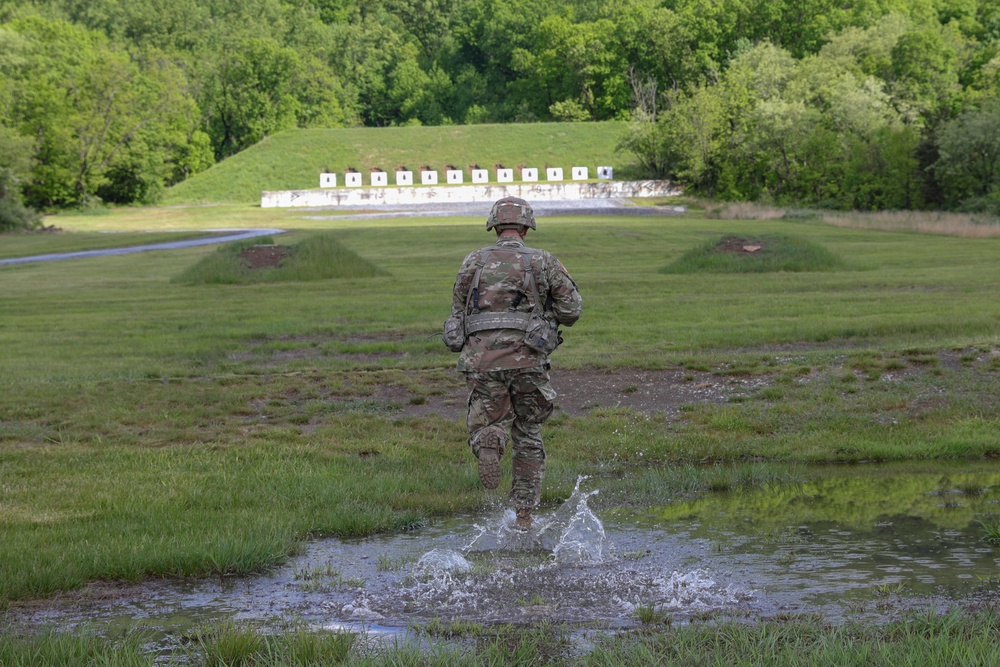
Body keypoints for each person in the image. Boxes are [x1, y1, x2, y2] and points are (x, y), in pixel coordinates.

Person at [446, 197, 582, 531]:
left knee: (488, 421)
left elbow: (458, 310)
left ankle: (489, 442)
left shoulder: (473, 261)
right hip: (529, 359)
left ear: (494, 226)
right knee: (528, 432)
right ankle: (524, 515)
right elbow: (572, 310)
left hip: (482, 359)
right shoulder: (543, 261)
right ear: (525, 227)